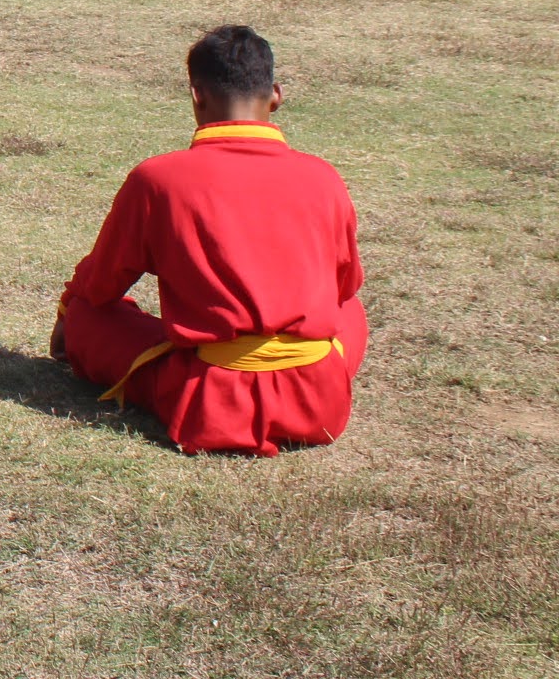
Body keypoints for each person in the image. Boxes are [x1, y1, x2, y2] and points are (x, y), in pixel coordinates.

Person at [52, 26, 364, 456]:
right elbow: (344, 287)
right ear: (276, 95)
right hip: (318, 402)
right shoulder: (323, 177)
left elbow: (101, 287)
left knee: (88, 314)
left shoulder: (158, 179)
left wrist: (70, 314)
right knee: (352, 307)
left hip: (214, 399)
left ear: (197, 96)